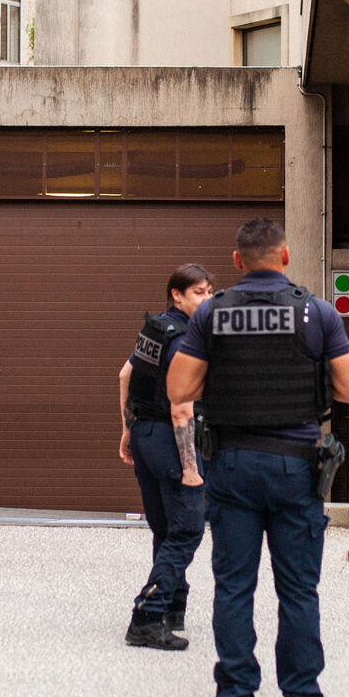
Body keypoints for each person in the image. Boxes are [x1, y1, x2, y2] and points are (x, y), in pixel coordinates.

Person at [167, 218, 349, 697]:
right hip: (297, 467)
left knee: (234, 587)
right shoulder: (317, 312)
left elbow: (178, 389)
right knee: (298, 591)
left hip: (233, 464)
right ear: (286, 256)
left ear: (237, 261)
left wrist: (223, 375)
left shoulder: (211, 313)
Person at [116, 264, 213, 651]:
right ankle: (147, 615)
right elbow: (182, 407)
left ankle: (174, 606)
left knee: (166, 528)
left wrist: (128, 429)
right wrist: (190, 467)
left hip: (145, 436)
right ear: (177, 294)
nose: (207, 300)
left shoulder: (156, 329)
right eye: (199, 293)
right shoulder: (185, 339)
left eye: (210, 292)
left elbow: (125, 375)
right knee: (187, 528)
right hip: (172, 442)